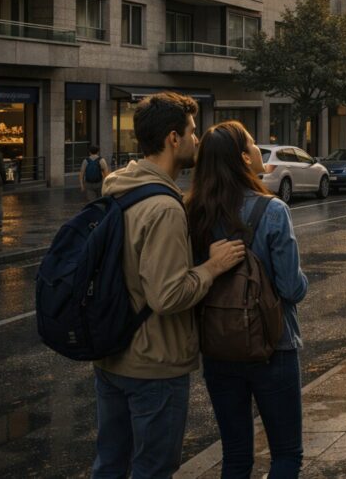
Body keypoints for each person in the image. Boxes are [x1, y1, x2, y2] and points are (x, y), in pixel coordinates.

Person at [93, 92, 245, 479]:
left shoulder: (119, 187)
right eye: (192, 132)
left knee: (110, 465)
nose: (197, 140)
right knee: (153, 469)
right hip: (154, 364)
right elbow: (168, 295)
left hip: (112, 354)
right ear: (173, 139)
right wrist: (212, 266)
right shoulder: (162, 207)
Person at [187, 121, 309, 478]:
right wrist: (304, 279)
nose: (260, 149)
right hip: (274, 346)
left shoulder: (194, 212)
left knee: (236, 456)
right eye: (254, 144)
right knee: (286, 455)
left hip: (218, 348)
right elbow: (291, 288)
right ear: (243, 158)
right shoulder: (272, 211)